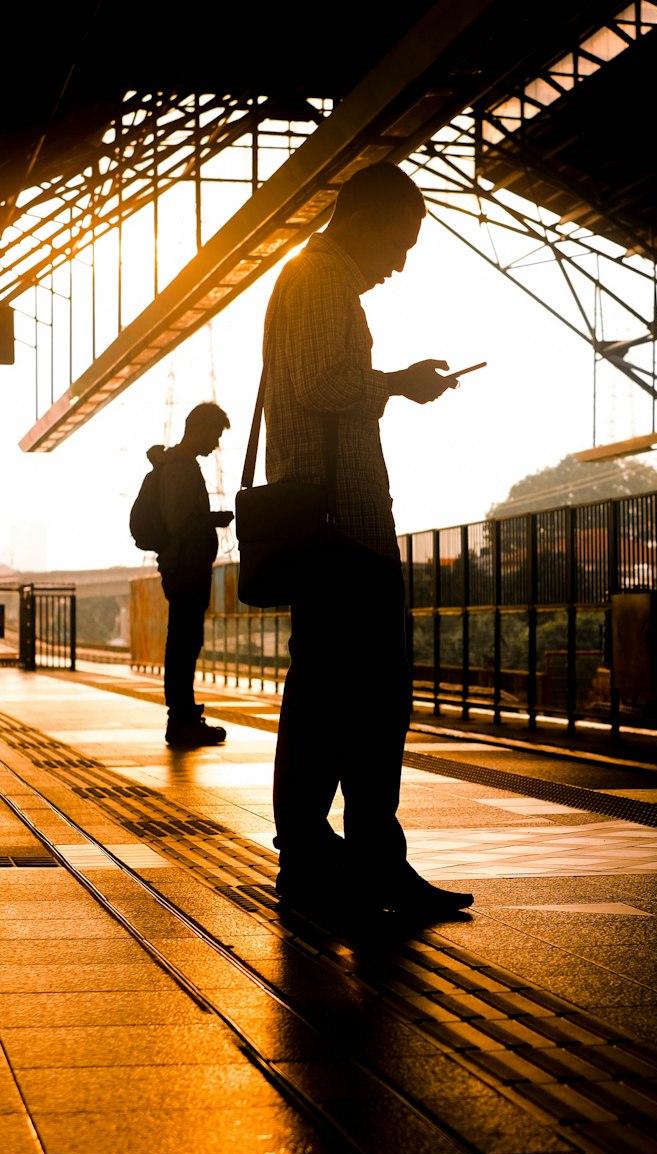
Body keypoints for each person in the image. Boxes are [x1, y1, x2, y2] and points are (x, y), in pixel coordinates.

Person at [261, 160, 473, 922]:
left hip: (333, 525)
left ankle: (329, 861)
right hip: (340, 525)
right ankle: (355, 862)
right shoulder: (321, 276)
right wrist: (397, 383)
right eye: (400, 240)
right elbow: (323, 383)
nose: (399, 263)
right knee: (369, 698)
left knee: (328, 696)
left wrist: (389, 382)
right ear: (368, 219)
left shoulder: (313, 278)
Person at [148, 401, 233, 747]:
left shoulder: (177, 465)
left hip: (183, 565)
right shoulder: (181, 469)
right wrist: (214, 519)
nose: (214, 445)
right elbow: (180, 521)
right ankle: (181, 720)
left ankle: (183, 715)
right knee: (184, 643)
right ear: (198, 429)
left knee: (184, 641)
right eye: (213, 435)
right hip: (185, 566)